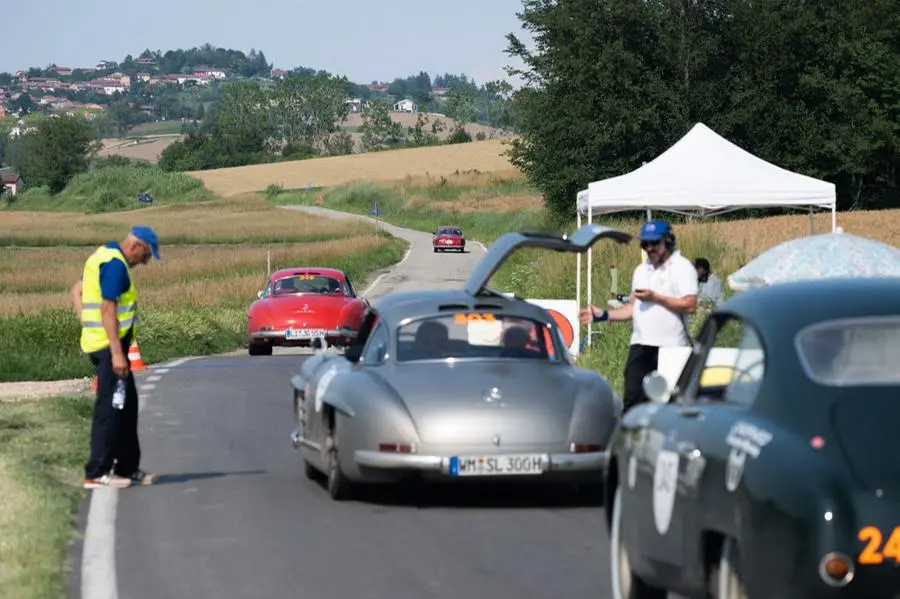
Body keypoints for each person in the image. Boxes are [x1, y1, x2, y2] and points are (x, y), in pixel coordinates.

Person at [70, 226, 161, 489]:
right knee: (109, 409)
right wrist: (118, 353)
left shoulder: (102, 255)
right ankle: (97, 472)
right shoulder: (116, 266)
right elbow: (108, 308)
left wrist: (86, 323)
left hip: (103, 344)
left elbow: (76, 291)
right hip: (110, 350)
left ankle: (127, 468)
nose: (144, 262)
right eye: (145, 255)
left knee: (127, 405)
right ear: (135, 246)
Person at [579, 220, 698, 412]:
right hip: (641, 345)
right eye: (645, 244)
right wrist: (603, 315)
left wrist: (656, 297)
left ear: (668, 241)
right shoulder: (641, 270)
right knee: (633, 400)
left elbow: (690, 305)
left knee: (671, 404)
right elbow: (632, 308)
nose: (649, 248)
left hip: (671, 346)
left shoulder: (682, 267)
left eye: (654, 243)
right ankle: (632, 438)